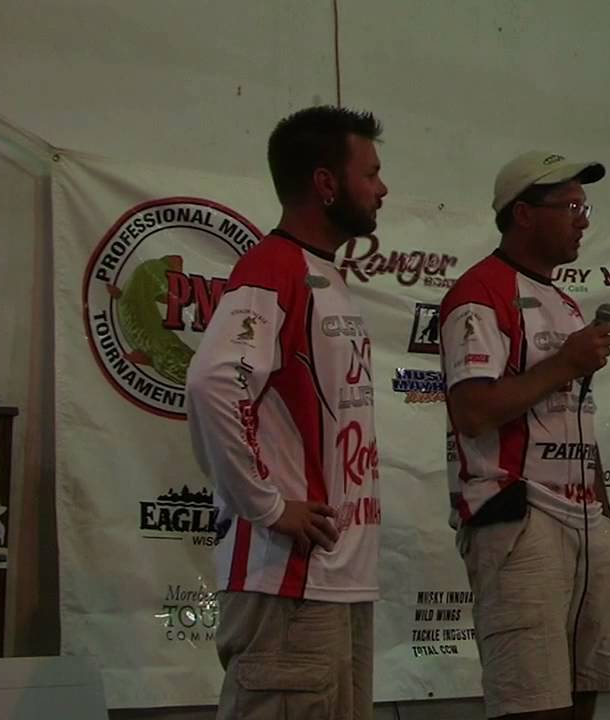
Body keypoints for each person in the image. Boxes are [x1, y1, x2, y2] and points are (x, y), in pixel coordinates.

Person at [186, 105, 389, 720]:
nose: (382, 189)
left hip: (336, 577)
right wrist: (269, 506)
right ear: (326, 183)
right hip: (287, 579)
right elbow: (214, 383)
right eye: (370, 174)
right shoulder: (275, 267)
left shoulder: (324, 273)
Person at [439, 151, 610, 719]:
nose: (583, 221)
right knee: (533, 701)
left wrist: (602, 512)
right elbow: (473, 411)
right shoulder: (480, 294)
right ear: (523, 214)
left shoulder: (565, 302)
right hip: (520, 517)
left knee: (585, 687)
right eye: (571, 207)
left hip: (584, 520)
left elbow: (575, 415)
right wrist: (565, 363)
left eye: (585, 208)